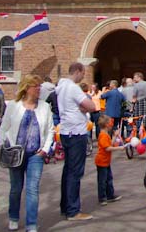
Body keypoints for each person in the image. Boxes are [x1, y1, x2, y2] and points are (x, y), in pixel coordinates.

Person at [0, 74, 54, 232]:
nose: (38, 89)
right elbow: (4, 128)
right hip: (16, 153)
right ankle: (13, 217)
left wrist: (45, 149)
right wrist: (5, 145)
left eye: (39, 86)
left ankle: (31, 223)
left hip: (35, 154)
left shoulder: (44, 106)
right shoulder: (14, 105)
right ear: (26, 88)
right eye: (35, 86)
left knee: (32, 188)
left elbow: (50, 129)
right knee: (16, 188)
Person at [57, 62, 98, 221]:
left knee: (67, 170)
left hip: (66, 131)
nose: (83, 77)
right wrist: (85, 107)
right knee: (75, 172)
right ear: (79, 71)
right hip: (76, 132)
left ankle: (65, 206)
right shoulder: (73, 88)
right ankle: (73, 210)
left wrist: (83, 107)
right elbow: (92, 106)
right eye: (83, 73)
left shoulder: (61, 86)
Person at [95, 114, 124, 206]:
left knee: (108, 179)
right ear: (107, 124)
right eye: (110, 123)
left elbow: (109, 144)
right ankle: (102, 198)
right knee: (102, 181)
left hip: (106, 161)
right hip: (102, 161)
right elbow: (107, 148)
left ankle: (110, 195)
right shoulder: (103, 135)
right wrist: (119, 148)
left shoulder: (105, 135)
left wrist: (115, 137)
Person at [132, 72, 146, 138]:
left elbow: (134, 97)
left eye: (134, 77)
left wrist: (131, 107)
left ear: (139, 77)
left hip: (140, 105)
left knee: (139, 124)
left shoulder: (136, 85)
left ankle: (140, 141)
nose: (133, 79)